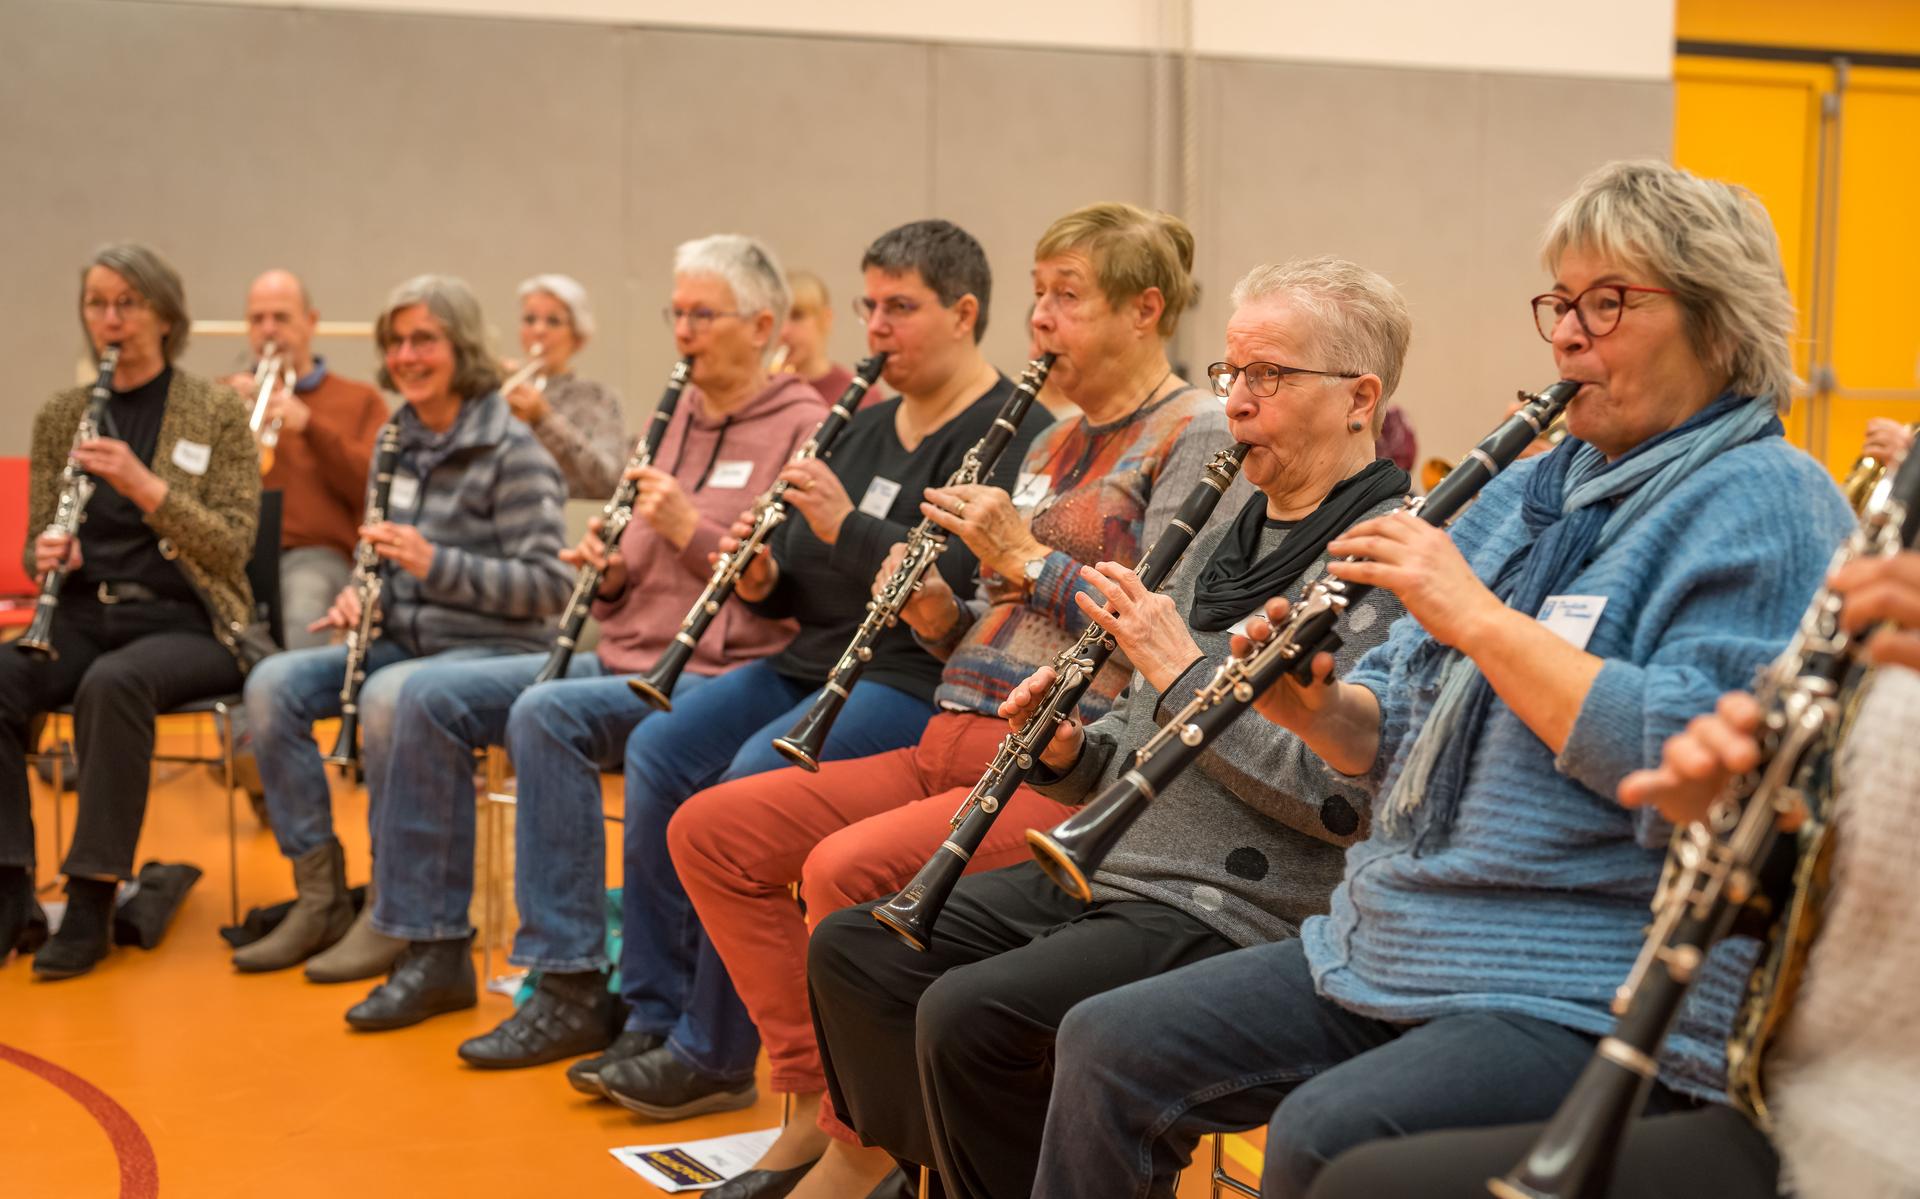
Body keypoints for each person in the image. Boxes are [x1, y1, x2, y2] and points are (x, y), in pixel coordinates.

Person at [1027, 159, 1858, 1199]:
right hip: (1400, 932)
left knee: (1331, 1136)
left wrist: (1476, 614)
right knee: (1106, 1042)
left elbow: (1684, 759)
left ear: (1719, 318)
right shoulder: (1525, 490)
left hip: (1576, 975)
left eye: (1609, 303)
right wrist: (1313, 706)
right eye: (1560, 301)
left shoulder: (1770, 500)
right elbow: (1392, 733)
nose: (1566, 334)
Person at [801, 257, 1417, 1199]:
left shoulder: (1392, 558)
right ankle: (964, 1171)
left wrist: (1181, 671)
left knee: (971, 1014)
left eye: (1269, 376)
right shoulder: (1222, 527)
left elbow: (1341, 803)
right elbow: (1134, 738)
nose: (1238, 402)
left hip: (1237, 905)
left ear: (1358, 398)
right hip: (1115, 866)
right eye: (1231, 373)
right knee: (860, 950)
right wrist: (1071, 753)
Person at [668, 202, 1233, 1198]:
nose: (1041, 320)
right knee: (713, 829)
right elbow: (985, 610)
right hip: (948, 727)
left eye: (1067, 298)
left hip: (1065, 765)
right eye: (1039, 295)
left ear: (1145, 310)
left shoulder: (1196, 432)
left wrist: (1025, 557)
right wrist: (934, 611)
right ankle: (816, 1103)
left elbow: (1163, 628)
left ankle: (866, 1145)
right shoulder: (1053, 440)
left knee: (843, 873)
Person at [574, 219, 1051, 1124]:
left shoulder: (1011, 432)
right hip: (819, 658)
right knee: (661, 748)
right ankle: (650, 1008)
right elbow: (798, 581)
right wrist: (762, 574)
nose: (875, 327)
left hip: (914, 679)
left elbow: (958, 586)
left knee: (752, 781)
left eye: (899, 308)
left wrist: (843, 529)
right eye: (869, 305)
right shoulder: (863, 426)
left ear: (964, 313)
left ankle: (718, 1050)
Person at [1306, 547, 1920, 1199]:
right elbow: (1844, 873)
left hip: (1869, 1128)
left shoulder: (1769, 509)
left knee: (1358, 1171)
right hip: (1791, 1097)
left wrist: (1482, 619)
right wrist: (1722, 808)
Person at [353, 235, 826, 1046]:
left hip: (722, 669)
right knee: (426, 698)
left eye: (701, 315)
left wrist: (689, 527)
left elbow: (786, 589)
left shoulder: (806, 428)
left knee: (546, 715)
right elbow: (636, 571)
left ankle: (569, 980)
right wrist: (606, 570)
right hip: (627, 653)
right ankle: (434, 947)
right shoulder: (672, 415)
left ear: (760, 325)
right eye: (676, 313)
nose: (684, 331)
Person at [232, 275, 570, 985]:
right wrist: (364, 589)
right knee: (271, 685)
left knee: (389, 693)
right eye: (397, 341)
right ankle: (320, 895)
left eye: (425, 340)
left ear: (462, 348)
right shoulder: (400, 437)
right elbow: (380, 549)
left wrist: (432, 562)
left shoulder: (513, 451)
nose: (407, 356)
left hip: (499, 650)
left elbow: (549, 588)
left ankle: (401, 911)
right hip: (410, 640)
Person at [0, 243, 266, 979]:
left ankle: (90, 898)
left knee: (112, 684)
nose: (110, 320)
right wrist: (50, 551)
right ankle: (10, 887)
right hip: (86, 614)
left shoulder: (215, 411)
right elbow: (33, 542)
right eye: (97, 304)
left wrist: (146, 486)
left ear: (165, 315)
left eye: (127, 303)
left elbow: (233, 546)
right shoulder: (64, 414)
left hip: (189, 619)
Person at [223, 269, 389, 648]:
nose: (268, 330)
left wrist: (310, 426)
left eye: (281, 317)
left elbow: (376, 486)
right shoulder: (223, 398)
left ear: (310, 322)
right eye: (257, 319)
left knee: (301, 611)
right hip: (231, 552)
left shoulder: (359, 400)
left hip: (313, 555)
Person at [504, 273, 628, 499]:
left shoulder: (597, 398)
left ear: (578, 337)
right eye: (530, 320)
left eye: (553, 321)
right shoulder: (502, 389)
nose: (539, 331)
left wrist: (544, 419)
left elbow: (609, 481)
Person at [779, 270, 864, 409]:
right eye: (779, 318)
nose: (784, 331)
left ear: (826, 318)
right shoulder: (764, 392)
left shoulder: (859, 396)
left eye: (797, 316)